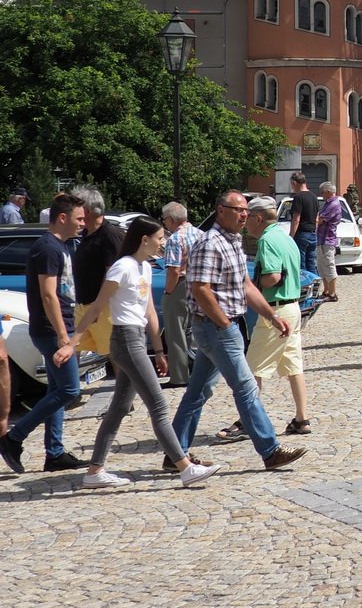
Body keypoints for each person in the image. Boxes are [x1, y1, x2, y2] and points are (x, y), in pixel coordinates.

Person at [55, 217, 222, 488]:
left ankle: (94, 471)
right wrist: (71, 343)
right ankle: (184, 466)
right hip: (124, 340)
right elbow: (97, 307)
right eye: (159, 238)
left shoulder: (144, 267)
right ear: (144, 239)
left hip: (137, 340)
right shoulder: (122, 268)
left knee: (118, 409)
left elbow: (149, 312)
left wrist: (159, 350)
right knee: (158, 404)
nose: (163, 243)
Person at [169, 191, 306, 472]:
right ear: (221, 211)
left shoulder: (233, 241)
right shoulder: (209, 243)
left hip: (221, 326)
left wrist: (272, 315)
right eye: (237, 209)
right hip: (216, 327)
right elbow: (200, 289)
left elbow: (246, 286)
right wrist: (224, 323)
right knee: (245, 388)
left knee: (198, 392)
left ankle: (175, 454)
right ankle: (270, 451)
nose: (244, 214)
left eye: (245, 210)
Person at [0, 192, 87, 474]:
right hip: (52, 330)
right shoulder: (47, 248)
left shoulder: (60, 246)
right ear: (62, 218)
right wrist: (63, 336)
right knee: (69, 390)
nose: (82, 224)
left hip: (58, 327)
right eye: (79, 219)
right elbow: (48, 295)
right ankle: (13, 438)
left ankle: (55, 453)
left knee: (57, 390)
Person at [239, 196, 312, 436]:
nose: (245, 222)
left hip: (276, 310)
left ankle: (245, 422)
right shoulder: (285, 237)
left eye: (248, 217)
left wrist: (250, 286)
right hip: (293, 307)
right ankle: (302, 419)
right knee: (293, 366)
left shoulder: (267, 241)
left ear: (258, 218)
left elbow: (272, 277)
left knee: (253, 369)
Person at [70, 185, 124, 356]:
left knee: (114, 354)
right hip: (82, 304)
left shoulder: (109, 234)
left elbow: (112, 273)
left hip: (102, 306)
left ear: (86, 210)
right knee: (72, 347)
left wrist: (98, 306)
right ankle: (71, 383)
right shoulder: (86, 233)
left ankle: (123, 384)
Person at [160, 201, 195, 386]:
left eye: (165, 220)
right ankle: (196, 371)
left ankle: (180, 377)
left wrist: (168, 292)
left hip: (180, 285)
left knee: (176, 333)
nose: (165, 223)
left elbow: (173, 270)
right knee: (193, 331)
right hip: (199, 285)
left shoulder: (175, 239)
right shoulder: (201, 234)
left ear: (171, 219)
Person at [284, 171, 320, 301]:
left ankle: (303, 294)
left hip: (302, 234)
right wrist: (314, 231)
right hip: (312, 234)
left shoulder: (299, 198)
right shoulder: (314, 197)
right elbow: (317, 218)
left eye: (292, 184)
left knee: (301, 265)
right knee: (311, 264)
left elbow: (296, 219)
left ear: (295, 183)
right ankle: (315, 293)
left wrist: (290, 236)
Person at [313, 181, 343, 302]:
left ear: (329, 192)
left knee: (329, 266)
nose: (321, 195)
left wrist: (312, 217)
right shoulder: (327, 203)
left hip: (327, 239)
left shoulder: (334, 204)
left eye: (323, 192)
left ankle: (332, 293)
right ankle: (326, 291)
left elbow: (320, 219)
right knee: (321, 266)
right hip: (321, 239)